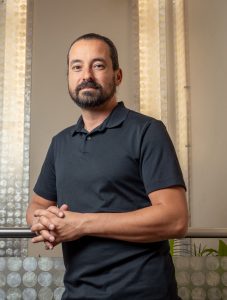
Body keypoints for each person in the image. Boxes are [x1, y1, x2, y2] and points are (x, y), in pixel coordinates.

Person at [26, 33, 188, 300]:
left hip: (144, 294)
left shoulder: (147, 131)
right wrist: (44, 222)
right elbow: (36, 206)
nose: (86, 74)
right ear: (68, 77)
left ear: (118, 76)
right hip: (77, 293)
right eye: (77, 67)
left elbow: (176, 219)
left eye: (98, 65)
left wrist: (82, 224)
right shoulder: (60, 143)